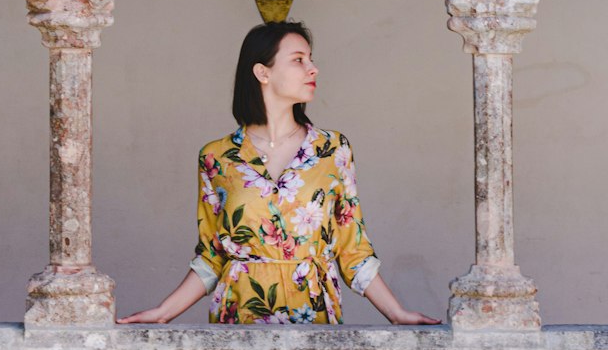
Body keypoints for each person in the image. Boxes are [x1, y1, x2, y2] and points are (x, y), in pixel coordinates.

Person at [118, 22, 440, 327]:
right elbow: (213, 255)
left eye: (311, 60)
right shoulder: (217, 157)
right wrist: (163, 312)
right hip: (239, 317)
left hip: (313, 316)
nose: (313, 69)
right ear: (262, 72)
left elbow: (351, 248)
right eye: (298, 60)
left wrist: (396, 313)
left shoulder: (332, 150)